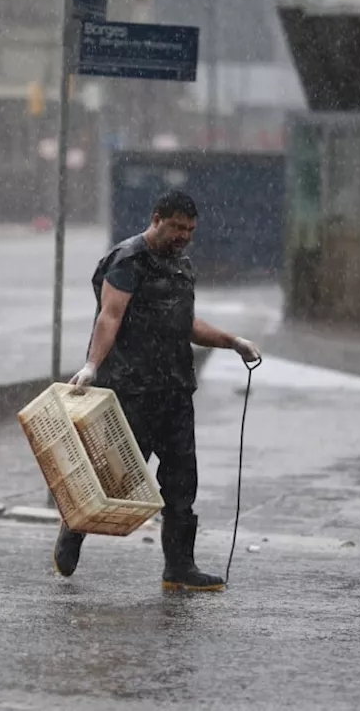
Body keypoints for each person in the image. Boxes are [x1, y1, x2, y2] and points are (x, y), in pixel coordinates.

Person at [55, 190, 262, 592]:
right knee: (115, 478)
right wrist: (91, 366)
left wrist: (232, 341)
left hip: (175, 390)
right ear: (156, 219)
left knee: (182, 482)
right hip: (131, 389)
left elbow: (185, 323)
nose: (184, 235)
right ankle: (72, 527)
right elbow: (109, 316)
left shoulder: (181, 265)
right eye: (177, 227)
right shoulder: (128, 260)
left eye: (190, 229)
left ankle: (179, 567)